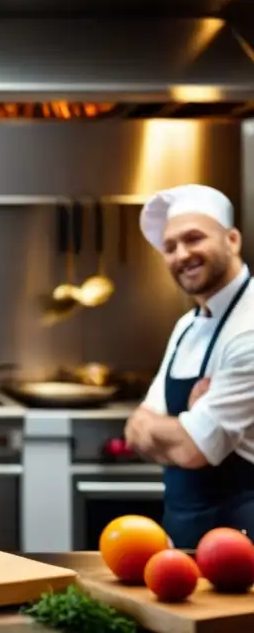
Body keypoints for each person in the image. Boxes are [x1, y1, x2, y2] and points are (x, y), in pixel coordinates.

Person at [125, 184, 254, 548]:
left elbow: (192, 450)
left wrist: (174, 432)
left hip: (242, 545)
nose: (182, 254)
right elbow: (135, 429)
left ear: (232, 239)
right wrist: (183, 426)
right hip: (182, 542)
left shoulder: (250, 328)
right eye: (170, 246)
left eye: (194, 239)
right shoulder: (187, 325)